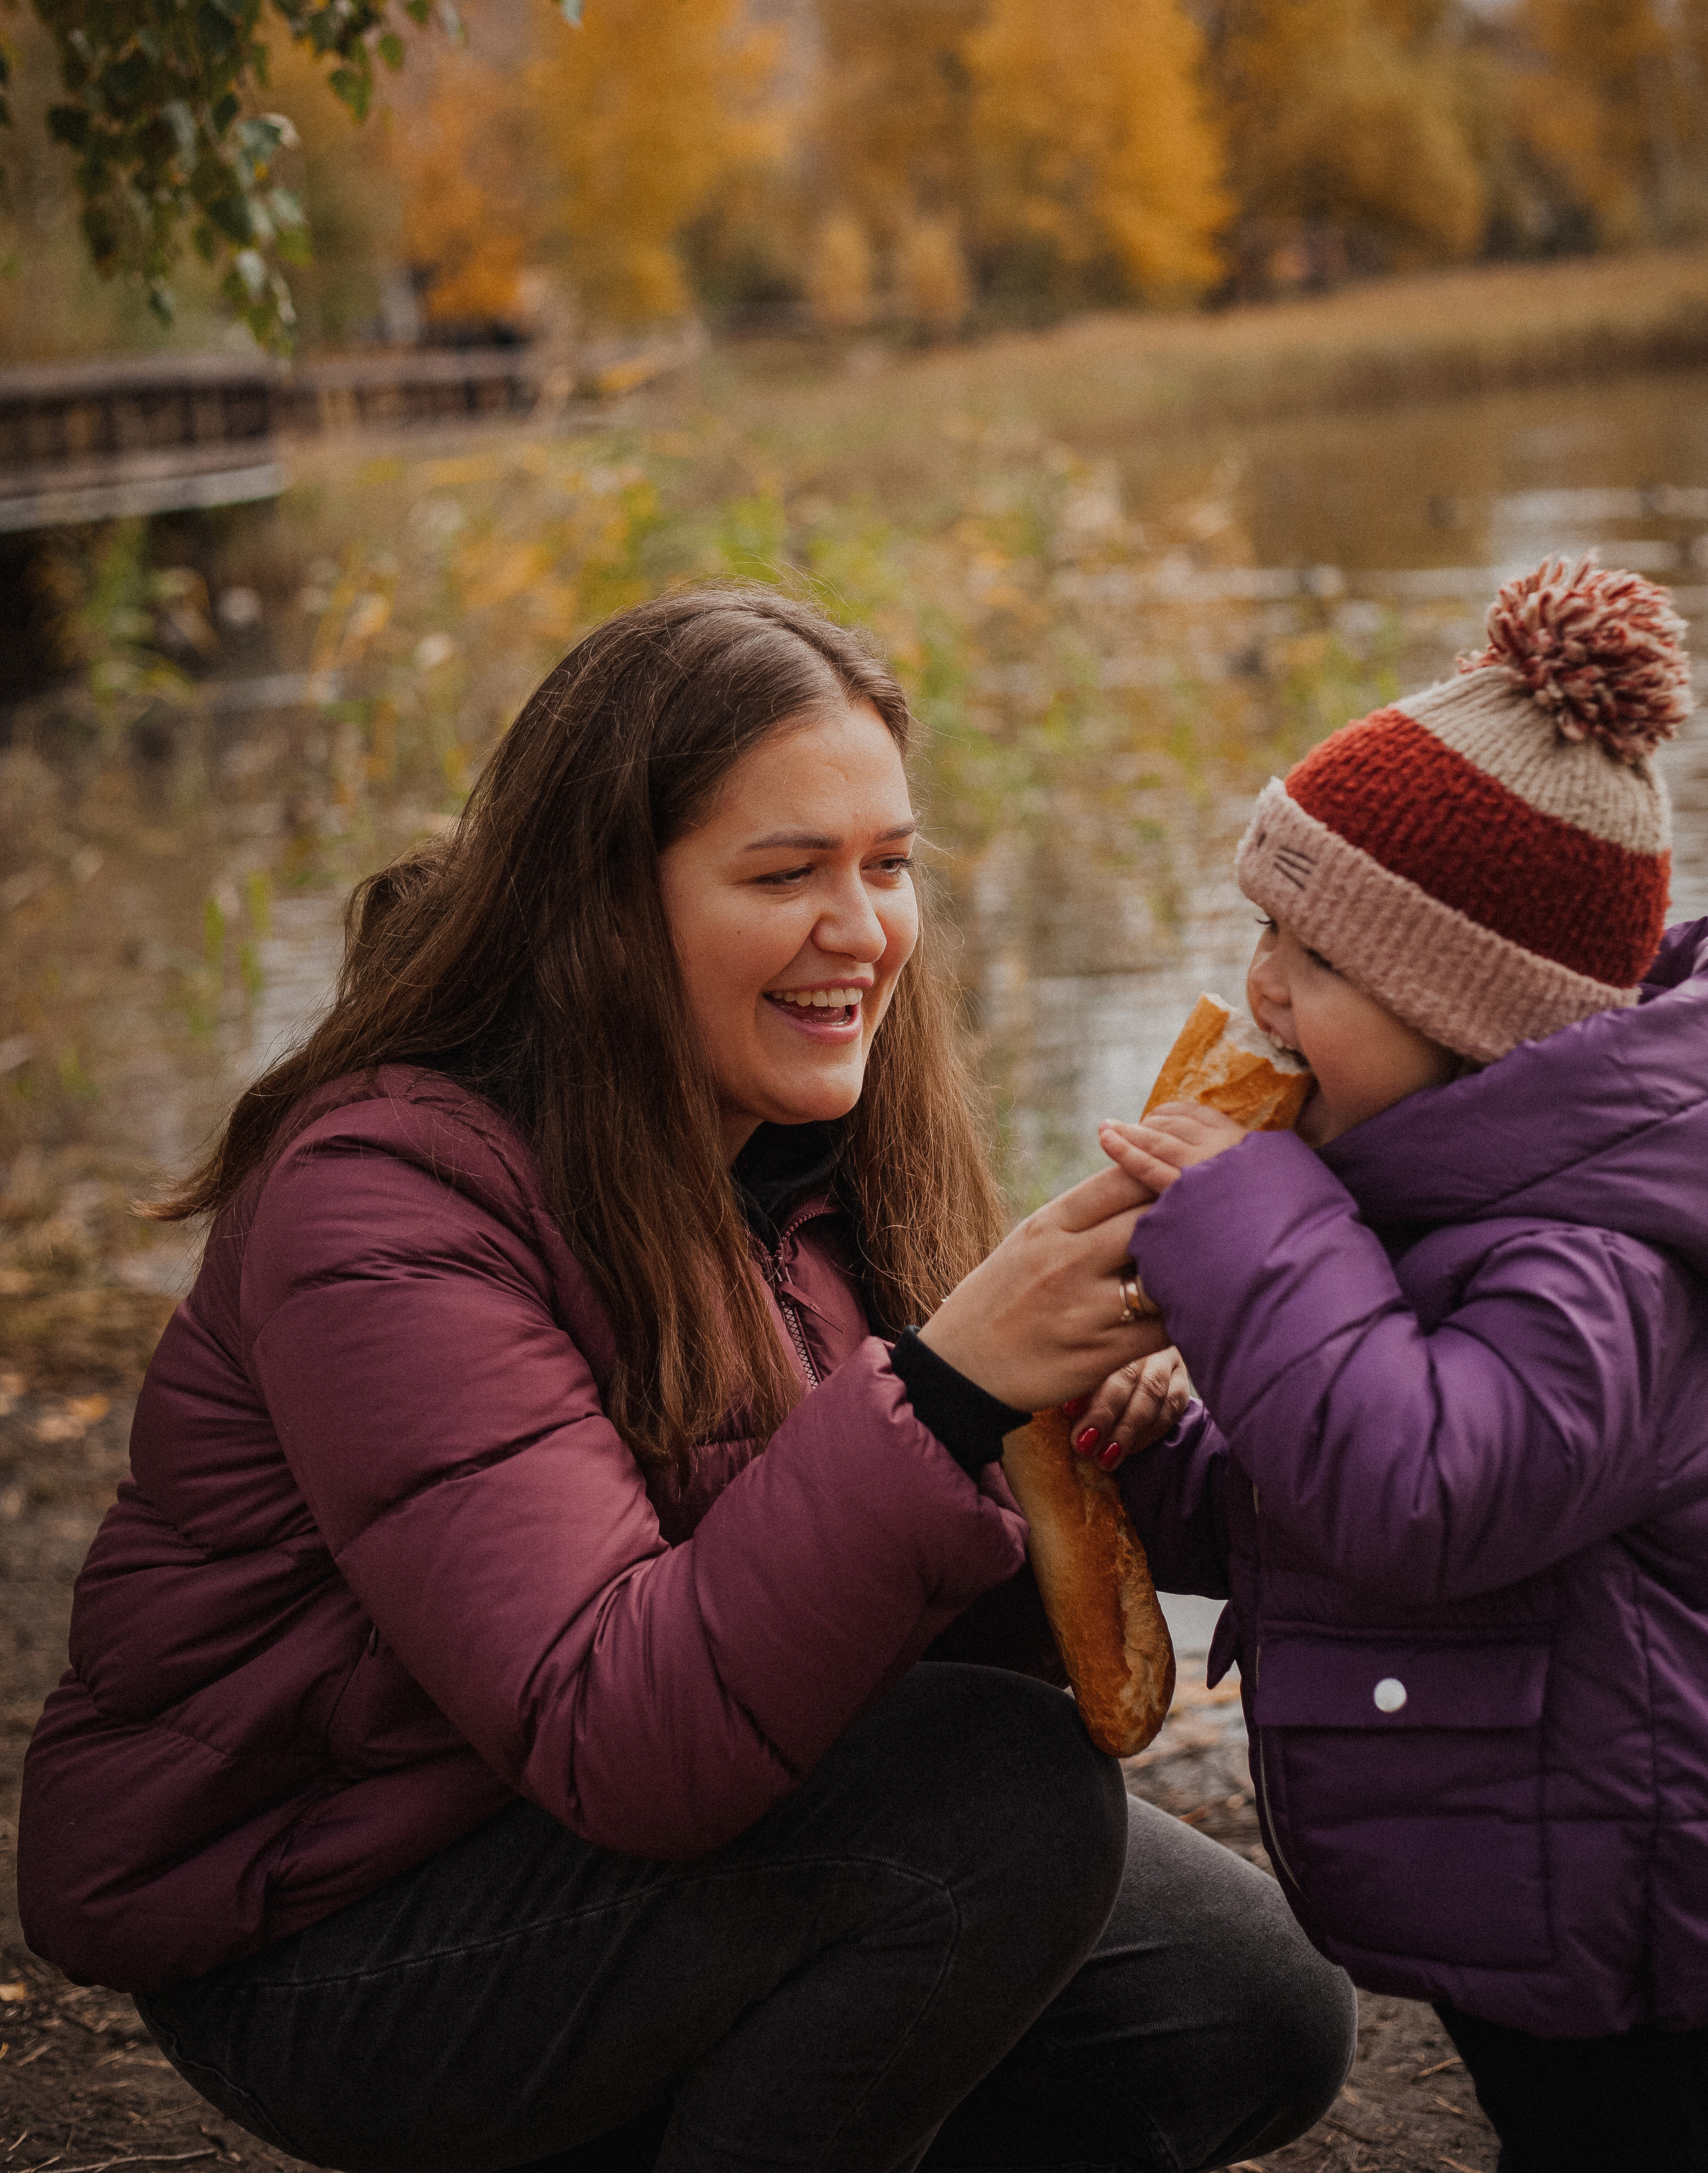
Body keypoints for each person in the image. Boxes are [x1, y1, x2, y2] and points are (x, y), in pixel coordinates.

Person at [19, 586, 1353, 2173]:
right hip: (338, 1917)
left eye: (886, 866)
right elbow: (622, 1730)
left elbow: (924, 1641)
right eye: (783, 873)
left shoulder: (824, 1157)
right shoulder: (381, 1205)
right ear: (593, 905)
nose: (860, 932)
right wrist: (941, 1393)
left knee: (1246, 2008)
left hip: (626, 1836)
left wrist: (1064, 1431)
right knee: (987, 1813)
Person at [1077, 557, 1708, 2173]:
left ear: (1475, 1014)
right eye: (1263, 926)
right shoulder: (1434, 1194)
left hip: (1644, 1941)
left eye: (1318, 958)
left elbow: (1424, 1493)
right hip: (1545, 1899)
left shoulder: (1600, 1258)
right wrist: (1150, 1455)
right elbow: (1334, 1507)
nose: (1261, 987)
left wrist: (1240, 1213)